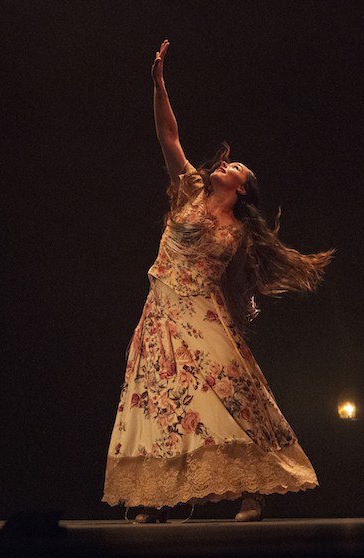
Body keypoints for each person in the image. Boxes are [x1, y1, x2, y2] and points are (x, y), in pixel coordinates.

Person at [102, 40, 333, 523]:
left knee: (228, 393)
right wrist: (158, 84)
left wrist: (241, 311)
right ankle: (154, 498)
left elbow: (241, 282)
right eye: (229, 163)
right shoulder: (189, 189)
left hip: (203, 313)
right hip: (162, 311)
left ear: (243, 187)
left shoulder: (242, 231)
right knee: (161, 399)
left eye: (237, 167)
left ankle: (253, 492)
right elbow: (170, 136)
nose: (225, 164)